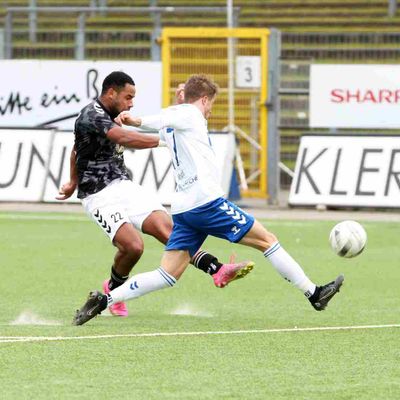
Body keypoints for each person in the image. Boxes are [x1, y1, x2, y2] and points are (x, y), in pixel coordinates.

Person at [73, 74, 344, 326]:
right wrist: (136, 120)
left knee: (167, 274)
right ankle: (313, 293)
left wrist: (169, 107)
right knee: (267, 241)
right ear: (203, 100)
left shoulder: (176, 125)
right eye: (210, 104)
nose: (210, 110)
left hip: (183, 209)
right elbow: (167, 116)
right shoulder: (190, 114)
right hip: (206, 203)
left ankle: (105, 300)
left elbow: (169, 119)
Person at [57, 71, 254, 318]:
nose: (131, 103)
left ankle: (217, 268)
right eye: (128, 97)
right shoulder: (91, 115)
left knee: (167, 229)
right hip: (97, 194)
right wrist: (164, 141)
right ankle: (114, 289)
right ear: (111, 93)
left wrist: (71, 181)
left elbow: (77, 149)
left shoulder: (115, 113)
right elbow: (123, 137)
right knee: (133, 247)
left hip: (123, 185)